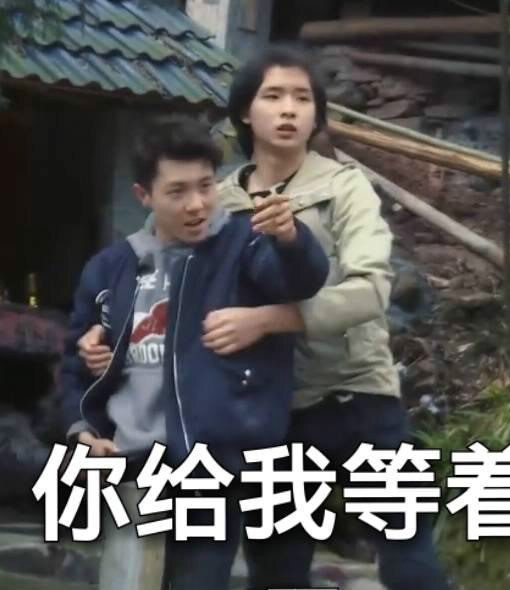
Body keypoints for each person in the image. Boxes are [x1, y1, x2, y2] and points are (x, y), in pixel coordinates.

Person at [78, 46, 451, 590]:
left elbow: (372, 290)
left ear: (317, 116)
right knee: (277, 570)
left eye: (303, 98)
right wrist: (107, 328)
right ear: (244, 112)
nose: (289, 109)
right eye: (273, 96)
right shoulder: (217, 197)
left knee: (409, 559)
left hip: (356, 395)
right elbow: (160, 275)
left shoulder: (345, 187)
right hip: (272, 412)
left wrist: (270, 320)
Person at [59, 114, 329, 590]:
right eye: (177, 191)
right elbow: (74, 364)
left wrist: (291, 238)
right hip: (130, 467)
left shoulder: (245, 244)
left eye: (206, 186)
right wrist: (82, 428)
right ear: (143, 195)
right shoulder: (111, 268)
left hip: (212, 469)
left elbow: (300, 279)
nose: (197, 204)